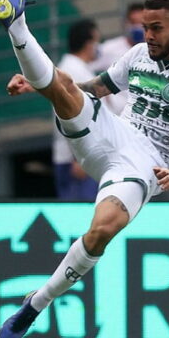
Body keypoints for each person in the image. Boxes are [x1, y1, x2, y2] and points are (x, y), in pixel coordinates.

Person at [0, 0, 169, 338]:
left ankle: (36, 303)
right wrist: (41, 89)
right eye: (145, 27)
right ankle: (16, 25)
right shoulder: (137, 55)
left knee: (101, 230)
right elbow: (95, 87)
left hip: (145, 165)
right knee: (64, 92)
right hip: (114, 132)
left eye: (155, 29)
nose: (146, 35)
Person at [52, 18, 100, 201]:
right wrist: (78, 157)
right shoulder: (73, 72)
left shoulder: (78, 69)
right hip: (77, 159)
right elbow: (70, 115)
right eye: (96, 41)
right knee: (79, 216)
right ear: (88, 44)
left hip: (82, 155)